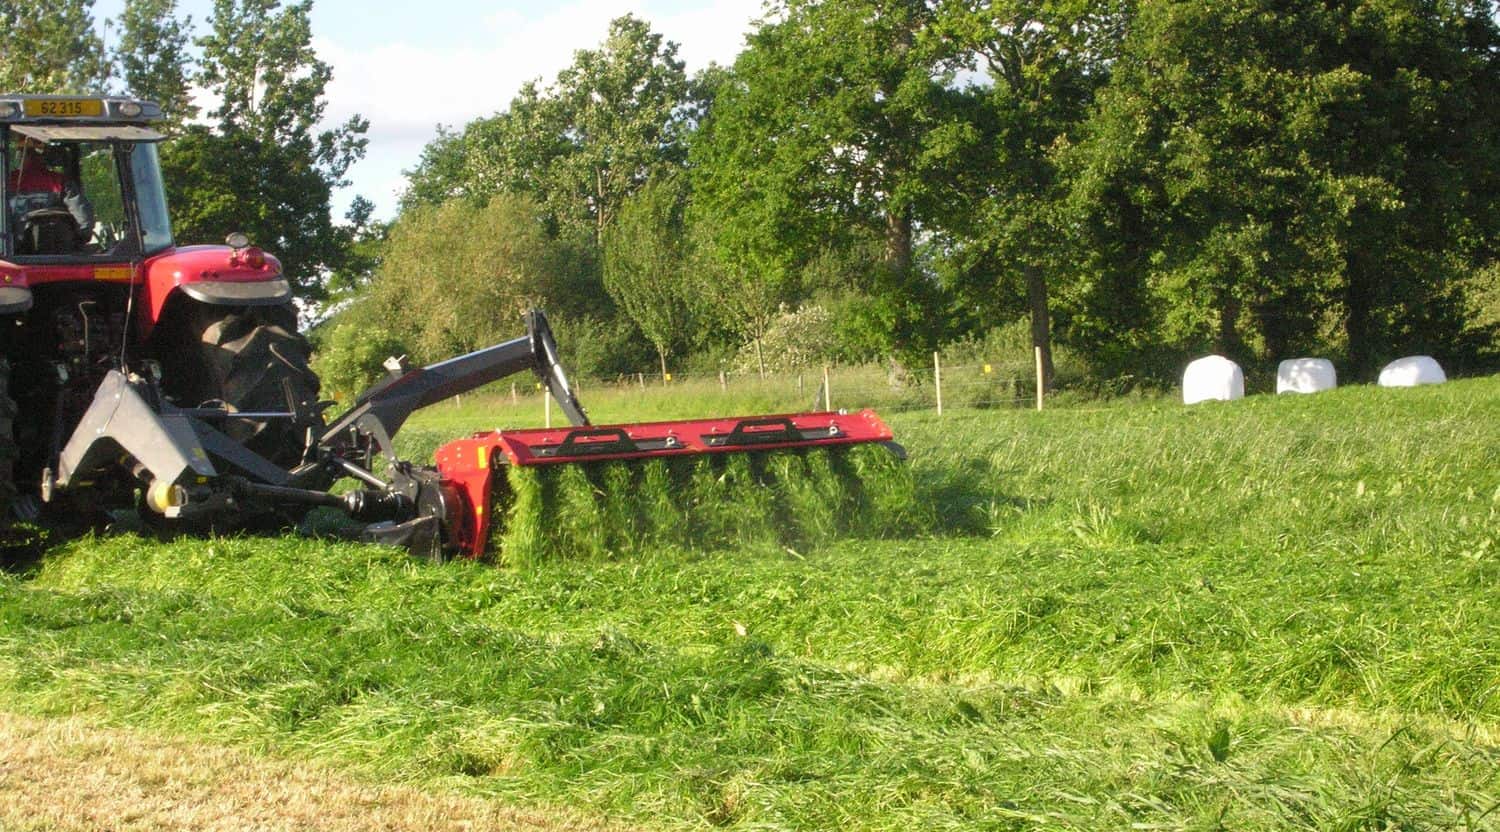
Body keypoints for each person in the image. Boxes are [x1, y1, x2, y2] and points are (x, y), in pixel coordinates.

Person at [6, 135, 94, 252]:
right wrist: (81, 238)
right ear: (43, 156)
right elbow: (82, 215)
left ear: (20, 156)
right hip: (59, 252)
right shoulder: (60, 181)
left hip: (17, 249)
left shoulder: (6, 182)